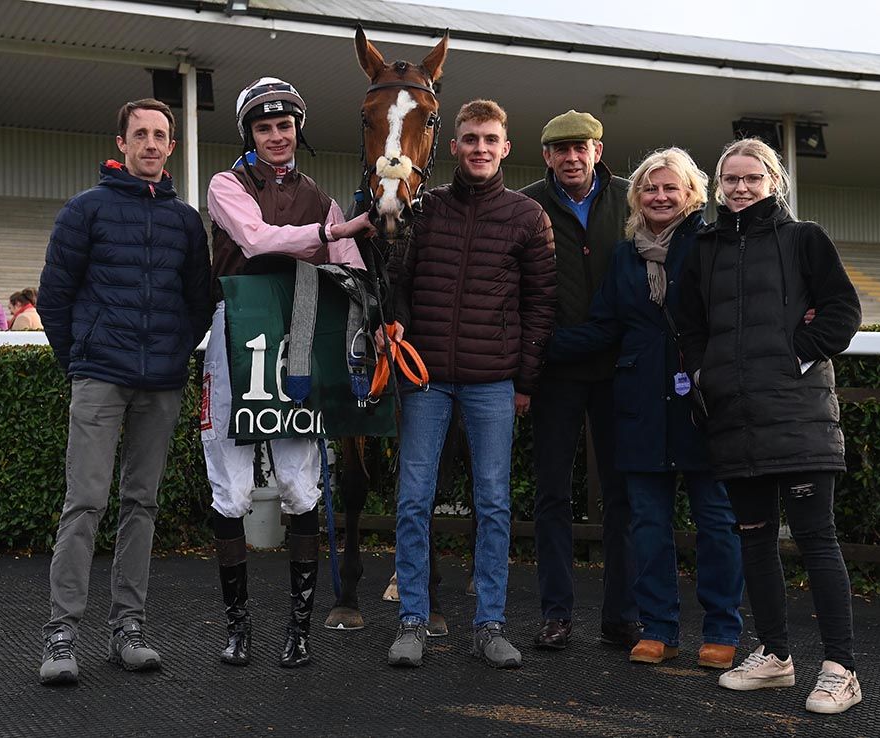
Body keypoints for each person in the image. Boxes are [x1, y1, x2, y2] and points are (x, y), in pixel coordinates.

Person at [676, 137, 863, 714]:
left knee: (816, 540)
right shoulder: (703, 247)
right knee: (755, 540)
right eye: (729, 178)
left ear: (773, 181)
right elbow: (688, 326)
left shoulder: (805, 238)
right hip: (734, 420)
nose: (739, 187)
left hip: (798, 416)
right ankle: (776, 657)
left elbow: (843, 309)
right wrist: (705, 376)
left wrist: (795, 353)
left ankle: (841, 670)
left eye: (751, 178)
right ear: (718, 184)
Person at [37, 98, 211, 685]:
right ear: (122, 143)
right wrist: (81, 359)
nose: (152, 144)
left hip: (160, 384)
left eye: (162, 135)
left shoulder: (187, 221)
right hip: (99, 379)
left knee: (143, 504)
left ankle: (128, 629)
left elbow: (199, 300)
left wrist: (173, 353)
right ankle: (62, 635)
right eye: (141, 134)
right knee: (85, 503)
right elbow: (54, 298)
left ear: (171, 146)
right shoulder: (84, 211)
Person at [203, 77, 375, 669]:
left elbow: (352, 266)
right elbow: (254, 240)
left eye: (285, 125)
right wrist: (332, 234)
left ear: (298, 129)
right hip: (239, 326)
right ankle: (238, 627)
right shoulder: (226, 183)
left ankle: (299, 630)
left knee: (302, 484)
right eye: (264, 127)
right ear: (249, 134)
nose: (277, 136)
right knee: (231, 486)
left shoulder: (321, 196)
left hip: (301, 321)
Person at [550, 148, 743, 669]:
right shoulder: (624, 256)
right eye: (650, 189)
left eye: (670, 188)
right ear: (637, 197)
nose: (659, 197)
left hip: (700, 403)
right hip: (637, 404)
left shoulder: (710, 245)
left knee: (716, 522)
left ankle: (723, 629)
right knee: (648, 526)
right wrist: (537, 344)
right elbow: (605, 326)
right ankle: (659, 629)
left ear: (691, 195)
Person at [385, 99, 556, 669]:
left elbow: (540, 305)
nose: (479, 148)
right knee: (413, 501)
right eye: (469, 139)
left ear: (506, 148)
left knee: (494, 504)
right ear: (452, 146)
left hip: (492, 384)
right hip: (425, 379)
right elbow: (398, 279)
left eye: (490, 139)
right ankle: (412, 618)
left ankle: (489, 624)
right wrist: (399, 319)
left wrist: (524, 378)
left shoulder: (529, 217)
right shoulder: (423, 208)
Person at [519, 110, 638, 650]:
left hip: (618, 372)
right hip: (556, 374)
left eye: (580, 147)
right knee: (551, 495)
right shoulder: (526, 205)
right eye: (560, 149)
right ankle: (557, 614)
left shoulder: (633, 199)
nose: (571, 157)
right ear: (546, 156)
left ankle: (622, 615)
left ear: (598, 150)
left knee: (623, 496)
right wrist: (547, 350)